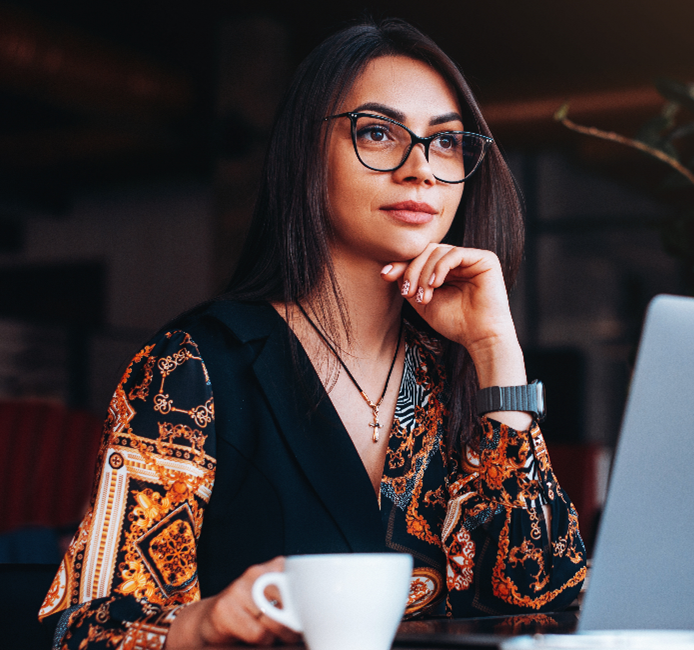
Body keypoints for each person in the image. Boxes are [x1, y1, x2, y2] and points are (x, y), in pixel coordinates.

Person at [37, 18, 587, 650]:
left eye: (446, 143)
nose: (420, 170)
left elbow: (549, 608)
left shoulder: (459, 373)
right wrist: (206, 622)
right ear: (305, 151)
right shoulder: (192, 370)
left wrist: (497, 352)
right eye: (378, 133)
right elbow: (83, 631)